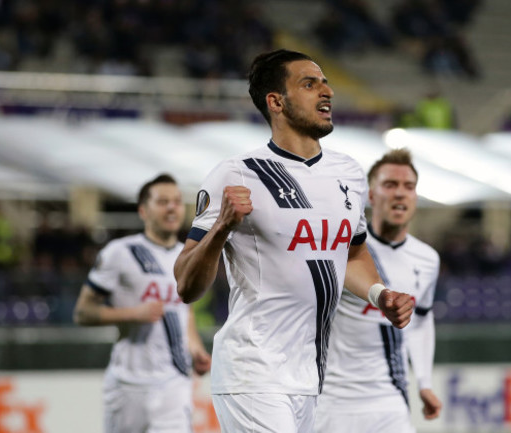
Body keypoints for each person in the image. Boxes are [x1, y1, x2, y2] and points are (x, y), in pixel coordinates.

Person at [173, 49, 414, 433]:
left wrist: (379, 295)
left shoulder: (348, 173)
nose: (327, 91)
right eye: (309, 83)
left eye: (325, 81)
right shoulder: (237, 174)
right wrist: (220, 228)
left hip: (309, 376)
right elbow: (186, 285)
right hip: (253, 372)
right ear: (276, 102)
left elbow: (351, 254)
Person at [315, 148, 442, 433]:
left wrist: (424, 383)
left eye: (408, 187)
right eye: (390, 185)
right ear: (371, 196)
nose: (400, 193)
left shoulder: (427, 259)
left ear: (415, 198)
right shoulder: (342, 249)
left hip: (389, 401)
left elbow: (421, 320)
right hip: (332, 401)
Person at [73, 173, 211, 433]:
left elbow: (184, 311)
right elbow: (82, 312)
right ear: (143, 211)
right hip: (128, 385)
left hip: (174, 383)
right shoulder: (119, 253)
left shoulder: (188, 256)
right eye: (162, 201)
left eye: (177, 201)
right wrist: (133, 313)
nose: (172, 207)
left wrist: (196, 349)